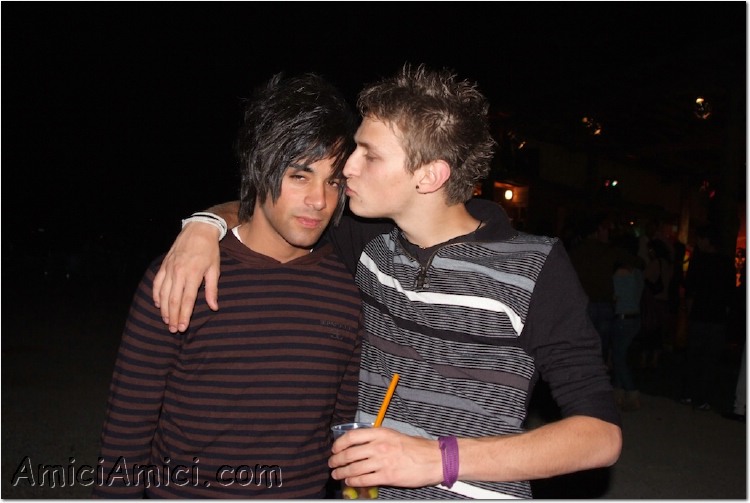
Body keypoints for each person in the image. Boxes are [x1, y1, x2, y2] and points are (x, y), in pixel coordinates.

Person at [153, 63, 622, 499]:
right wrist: (204, 226)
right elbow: (272, 210)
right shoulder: (368, 242)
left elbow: (600, 438)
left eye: (369, 155)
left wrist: (437, 459)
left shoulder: (536, 265)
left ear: (429, 176)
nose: (347, 167)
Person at [93, 73, 364, 498]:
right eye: (299, 176)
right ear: (259, 170)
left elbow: (341, 430)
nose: (319, 200)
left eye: (333, 181)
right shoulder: (183, 276)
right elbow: (126, 432)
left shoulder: (345, 293)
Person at [679, 223, 736, 411]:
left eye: (700, 239)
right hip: (717, 317)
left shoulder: (699, 261)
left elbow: (690, 289)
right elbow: (730, 293)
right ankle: (702, 398)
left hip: (700, 315)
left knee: (694, 356)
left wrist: (689, 311)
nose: (698, 242)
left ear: (707, 240)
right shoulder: (726, 263)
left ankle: (689, 394)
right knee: (709, 360)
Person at [569, 213, 638, 367]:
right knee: (601, 346)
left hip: (584, 304)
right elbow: (637, 262)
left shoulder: (576, 251)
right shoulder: (608, 251)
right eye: (606, 229)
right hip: (603, 303)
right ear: (598, 230)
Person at [611, 254, 645, 411]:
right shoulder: (638, 273)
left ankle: (632, 391)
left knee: (618, 357)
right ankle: (618, 393)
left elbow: (615, 296)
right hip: (635, 318)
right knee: (621, 355)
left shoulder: (620, 273)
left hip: (623, 318)